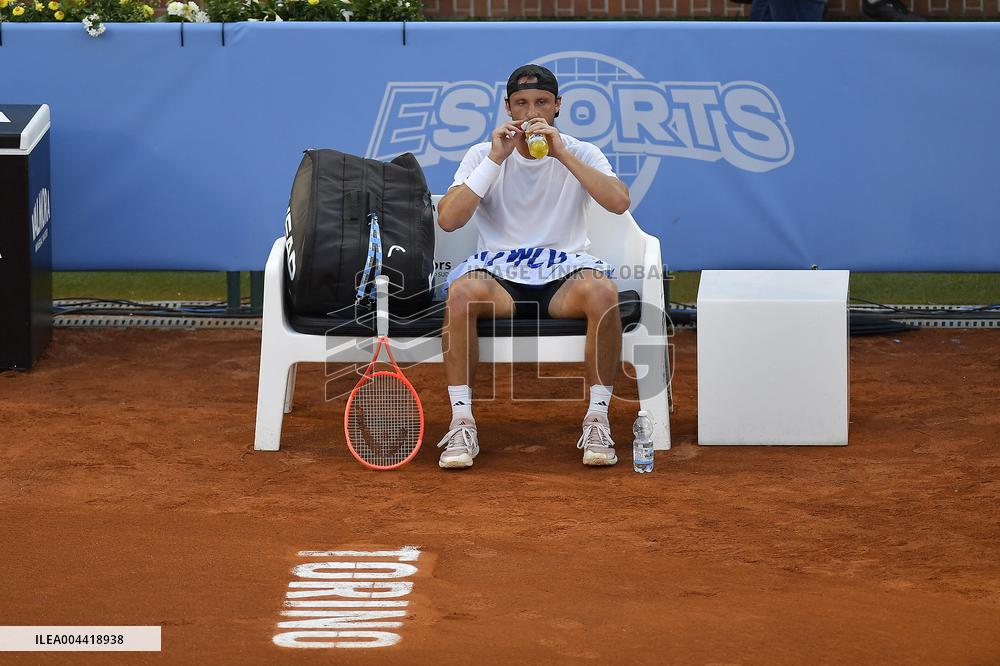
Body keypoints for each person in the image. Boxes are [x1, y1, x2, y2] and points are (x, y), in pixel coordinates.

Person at [434, 64, 631, 470]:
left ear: (557, 106)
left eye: (541, 102)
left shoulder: (579, 150)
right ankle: (461, 421)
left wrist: (561, 154)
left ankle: (597, 418)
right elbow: (450, 219)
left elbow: (618, 202)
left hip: (565, 278)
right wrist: (494, 159)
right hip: (499, 280)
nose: (531, 112)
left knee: (603, 292)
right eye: (521, 104)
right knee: (461, 293)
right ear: (508, 108)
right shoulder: (482, 154)